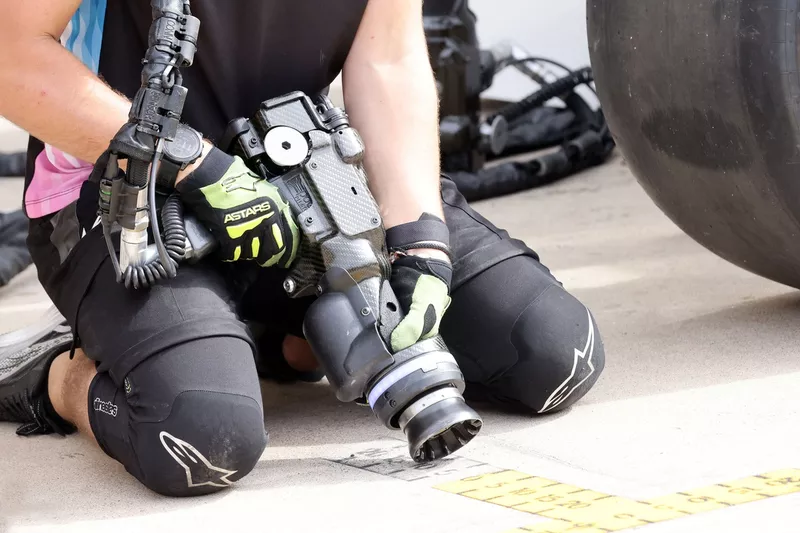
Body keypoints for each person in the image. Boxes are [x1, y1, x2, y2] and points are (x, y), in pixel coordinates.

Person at [0, 0, 605, 496]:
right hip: (129, 190)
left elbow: (389, 55)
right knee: (201, 439)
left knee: (556, 353)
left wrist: (421, 242)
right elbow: (11, 50)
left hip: (304, 171)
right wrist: (196, 166)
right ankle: (56, 375)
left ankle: (288, 340)